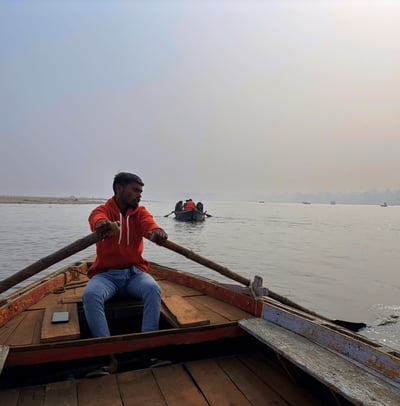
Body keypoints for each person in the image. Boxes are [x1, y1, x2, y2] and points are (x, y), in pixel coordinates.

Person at [82, 172, 168, 339]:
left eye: (140, 192)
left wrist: (157, 232)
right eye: (135, 190)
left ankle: (148, 345)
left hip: (134, 274)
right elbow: (96, 219)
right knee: (91, 296)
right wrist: (102, 225)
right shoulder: (102, 210)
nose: (139, 195)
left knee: (153, 289)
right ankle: (106, 350)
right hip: (106, 276)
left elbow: (149, 225)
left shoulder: (140, 213)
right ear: (119, 188)